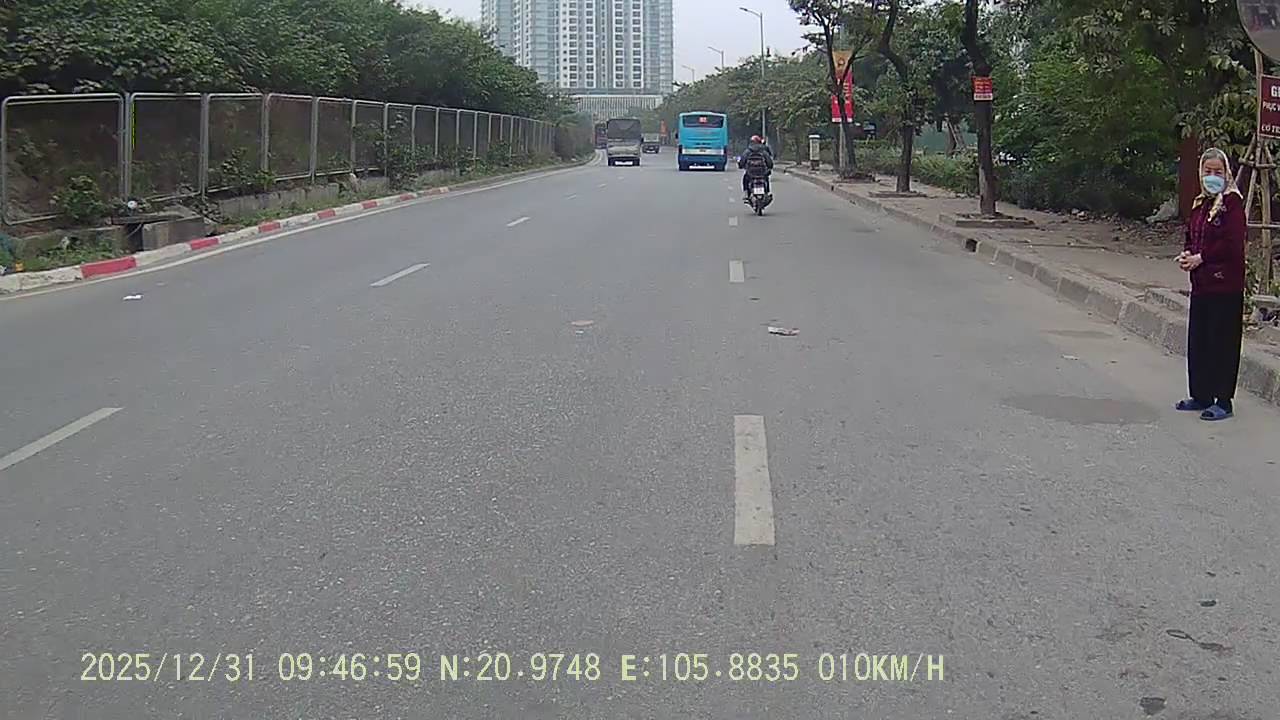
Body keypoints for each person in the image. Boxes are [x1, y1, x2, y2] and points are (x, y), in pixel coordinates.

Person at [1176, 147, 1247, 421]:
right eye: (1208, 171)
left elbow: (1232, 244)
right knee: (1200, 341)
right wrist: (1187, 255)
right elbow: (1191, 234)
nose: (1212, 177)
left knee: (1222, 342)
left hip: (1225, 285)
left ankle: (1223, 400)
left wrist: (1202, 257)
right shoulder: (1201, 203)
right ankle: (1201, 395)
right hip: (1202, 284)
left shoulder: (1232, 204)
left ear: (1226, 173)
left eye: (1218, 172)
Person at [739, 135, 774, 203]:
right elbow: (769, 162)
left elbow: (742, 161)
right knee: (766, 179)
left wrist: (741, 165)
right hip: (762, 173)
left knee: (745, 179)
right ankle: (767, 192)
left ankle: (746, 194)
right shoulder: (763, 151)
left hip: (751, 173)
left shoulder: (748, 151)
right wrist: (769, 168)